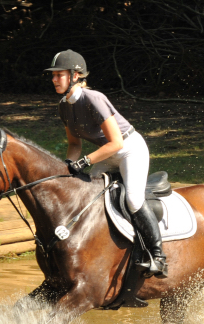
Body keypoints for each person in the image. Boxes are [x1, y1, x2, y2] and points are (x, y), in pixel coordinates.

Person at [44, 49, 168, 278]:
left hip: (129, 149)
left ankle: (158, 255)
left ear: (75, 75)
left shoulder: (94, 98)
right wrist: (68, 167)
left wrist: (85, 162)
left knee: (133, 199)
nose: (53, 79)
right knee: (90, 196)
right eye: (52, 75)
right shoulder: (64, 106)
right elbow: (74, 144)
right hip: (106, 154)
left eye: (58, 75)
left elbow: (117, 142)